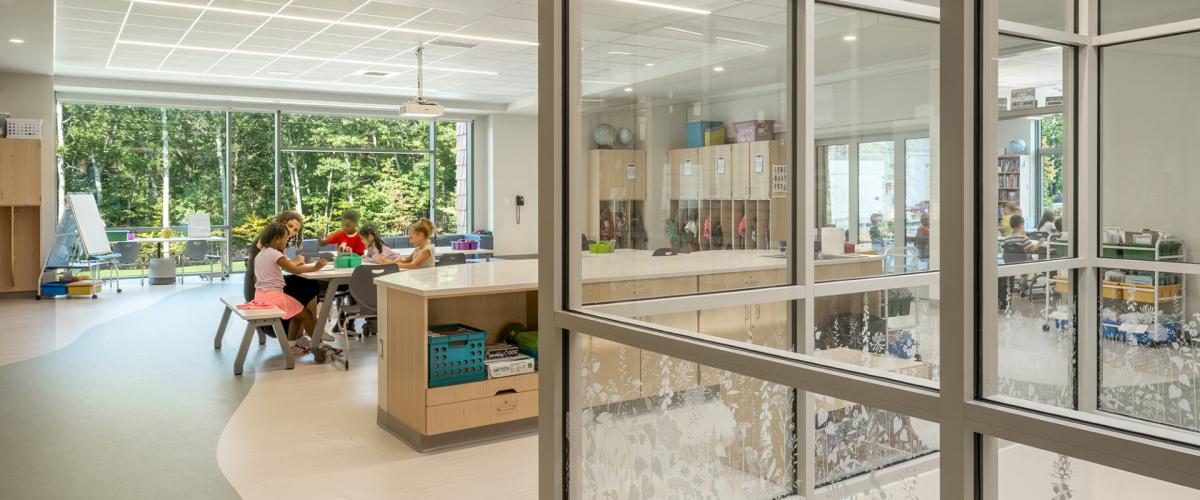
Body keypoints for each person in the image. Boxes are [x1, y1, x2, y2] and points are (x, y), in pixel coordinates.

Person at [253, 222, 328, 353]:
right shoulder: (275, 254)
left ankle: (291, 344)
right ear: (277, 239)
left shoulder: (261, 254)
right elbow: (294, 269)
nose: (286, 242)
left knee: (297, 311)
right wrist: (315, 267)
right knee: (307, 315)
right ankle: (319, 346)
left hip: (261, 296)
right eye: (286, 239)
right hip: (274, 297)